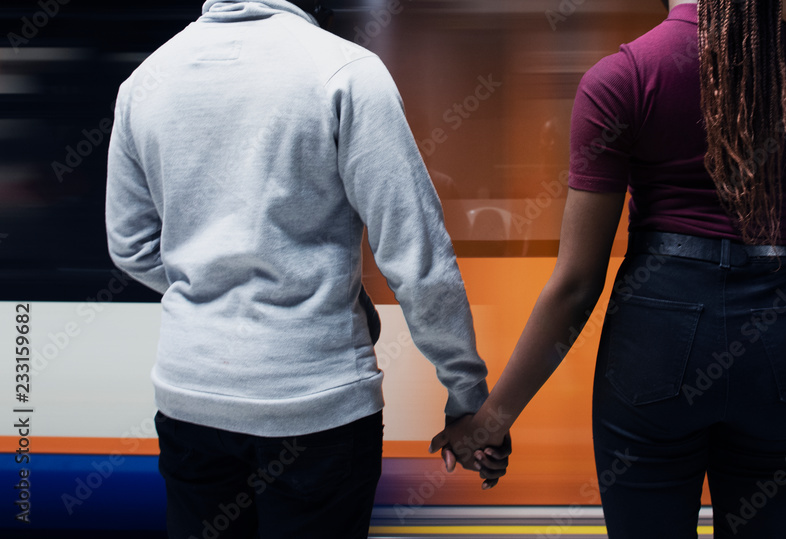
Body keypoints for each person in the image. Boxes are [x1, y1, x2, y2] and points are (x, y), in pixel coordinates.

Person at [431, 0, 786, 537]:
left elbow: (576, 285)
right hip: (781, 341)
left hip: (654, 342)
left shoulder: (623, 75)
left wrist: (490, 422)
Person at [105, 0, 508, 537]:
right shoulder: (346, 72)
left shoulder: (144, 82)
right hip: (318, 410)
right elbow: (417, 259)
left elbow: (130, 246)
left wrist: (209, 290)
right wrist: (467, 398)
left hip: (190, 402)